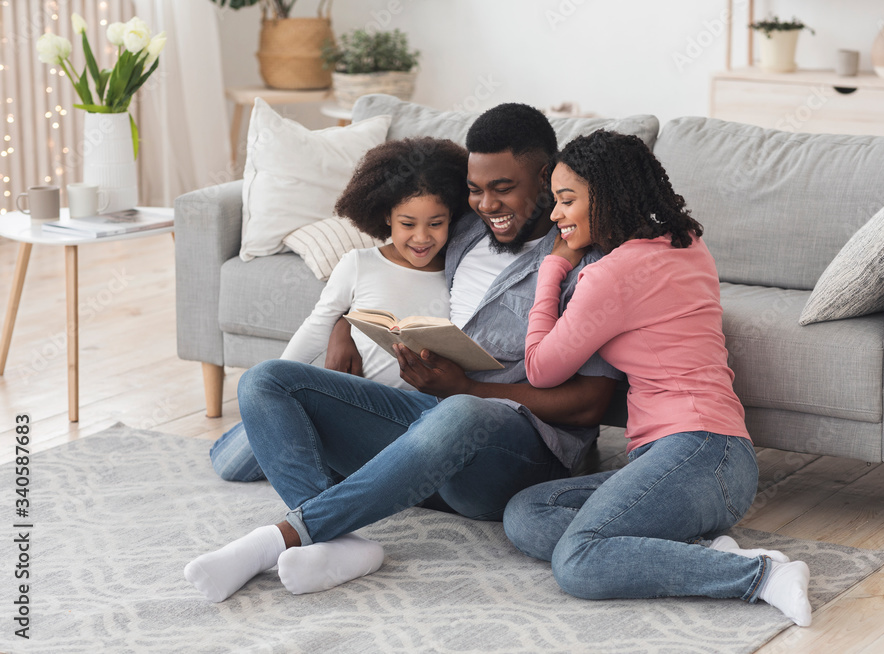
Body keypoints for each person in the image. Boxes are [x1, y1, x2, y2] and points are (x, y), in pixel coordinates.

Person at [185, 103, 622, 603]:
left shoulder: (591, 259)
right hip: (431, 430)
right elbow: (391, 242)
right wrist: (343, 323)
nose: (487, 204)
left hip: (520, 454)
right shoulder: (463, 229)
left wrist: (469, 389)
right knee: (267, 380)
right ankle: (338, 544)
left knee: (460, 410)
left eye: (503, 189)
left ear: (546, 178)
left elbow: (590, 404)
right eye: (475, 190)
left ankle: (278, 538)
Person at [503, 130, 813, 627]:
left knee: (577, 562)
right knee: (527, 511)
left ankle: (758, 577)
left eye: (566, 201)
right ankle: (701, 549)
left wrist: (552, 269)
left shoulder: (612, 273)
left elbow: (542, 369)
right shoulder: (684, 241)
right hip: (705, 461)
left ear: (605, 197)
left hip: (698, 450)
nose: (556, 216)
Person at [207, 137, 468, 483]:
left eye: (436, 223)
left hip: (403, 415)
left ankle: (307, 451)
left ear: (452, 217)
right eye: (408, 224)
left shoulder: (457, 273)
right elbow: (316, 327)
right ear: (386, 216)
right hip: (346, 399)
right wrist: (274, 385)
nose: (422, 237)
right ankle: (276, 426)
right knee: (230, 466)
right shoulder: (359, 264)